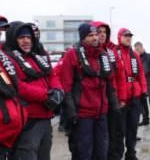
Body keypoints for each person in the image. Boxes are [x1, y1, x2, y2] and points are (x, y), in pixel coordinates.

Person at [3, 21, 63, 160]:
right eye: (21, 37)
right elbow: (17, 86)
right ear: (13, 38)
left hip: (46, 117)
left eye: (29, 37)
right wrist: (47, 95)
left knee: (44, 155)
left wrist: (58, 90)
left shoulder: (36, 56)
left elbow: (52, 74)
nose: (26, 40)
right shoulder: (7, 58)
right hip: (28, 120)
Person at [60, 23, 115, 160]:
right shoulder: (72, 54)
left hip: (101, 113)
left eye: (96, 34)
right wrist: (72, 113)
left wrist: (113, 107)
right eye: (91, 35)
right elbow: (66, 86)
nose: (95, 38)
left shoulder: (103, 55)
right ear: (83, 38)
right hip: (82, 115)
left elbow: (109, 83)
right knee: (84, 153)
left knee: (101, 152)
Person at [91, 21, 127, 160]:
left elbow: (120, 75)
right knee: (100, 138)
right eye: (98, 32)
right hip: (97, 103)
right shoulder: (86, 52)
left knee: (116, 134)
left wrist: (122, 98)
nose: (102, 35)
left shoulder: (112, 51)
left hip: (114, 100)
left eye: (104, 32)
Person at [117, 28, 147, 160]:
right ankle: (118, 154)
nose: (128, 38)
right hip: (121, 98)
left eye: (130, 36)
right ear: (119, 37)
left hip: (135, 95)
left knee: (133, 127)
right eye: (126, 36)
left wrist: (144, 91)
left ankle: (131, 154)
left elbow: (141, 74)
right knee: (120, 130)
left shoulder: (135, 55)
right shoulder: (114, 53)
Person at [134, 42, 150, 128]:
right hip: (141, 82)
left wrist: (148, 71)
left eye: (138, 49)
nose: (137, 51)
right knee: (143, 102)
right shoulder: (135, 58)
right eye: (136, 49)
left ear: (142, 48)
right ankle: (145, 119)